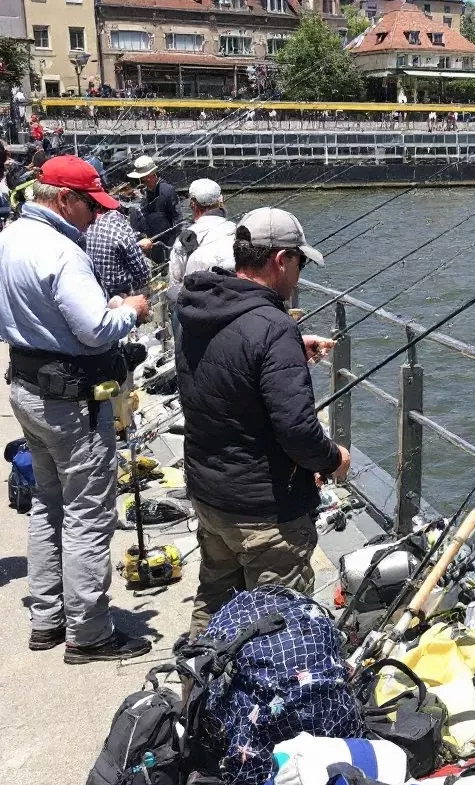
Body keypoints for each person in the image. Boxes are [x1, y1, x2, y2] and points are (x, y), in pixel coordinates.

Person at [0, 155, 152, 661]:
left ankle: (47, 619)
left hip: (25, 388)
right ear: (64, 198)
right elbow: (95, 329)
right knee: (89, 514)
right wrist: (129, 312)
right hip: (71, 403)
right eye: (91, 205)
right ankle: (89, 633)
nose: (96, 216)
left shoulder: (9, 237)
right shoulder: (62, 251)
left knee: (47, 503)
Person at [176, 208, 349, 637]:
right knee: (277, 631)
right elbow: (297, 431)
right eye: (300, 262)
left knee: (214, 606)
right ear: (280, 260)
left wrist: (289, 351)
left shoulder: (198, 308)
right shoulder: (272, 327)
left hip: (211, 494)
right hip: (263, 513)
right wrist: (333, 460)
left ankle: (195, 697)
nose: (299, 274)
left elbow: (224, 373)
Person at [167, 178, 236, 305]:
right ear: (221, 200)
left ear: (192, 204)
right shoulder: (235, 229)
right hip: (233, 301)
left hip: (198, 307)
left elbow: (175, 280)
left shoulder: (184, 239)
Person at [86, 203, 150, 300]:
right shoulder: (121, 230)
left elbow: (111, 252)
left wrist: (137, 246)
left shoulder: (89, 228)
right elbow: (143, 274)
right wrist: (142, 252)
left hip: (102, 292)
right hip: (124, 295)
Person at [126, 154, 179, 264]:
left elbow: (177, 218)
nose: (142, 181)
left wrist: (177, 244)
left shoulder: (167, 191)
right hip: (148, 241)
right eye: (140, 179)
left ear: (152, 174)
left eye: (144, 178)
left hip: (166, 242)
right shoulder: (143, 191)